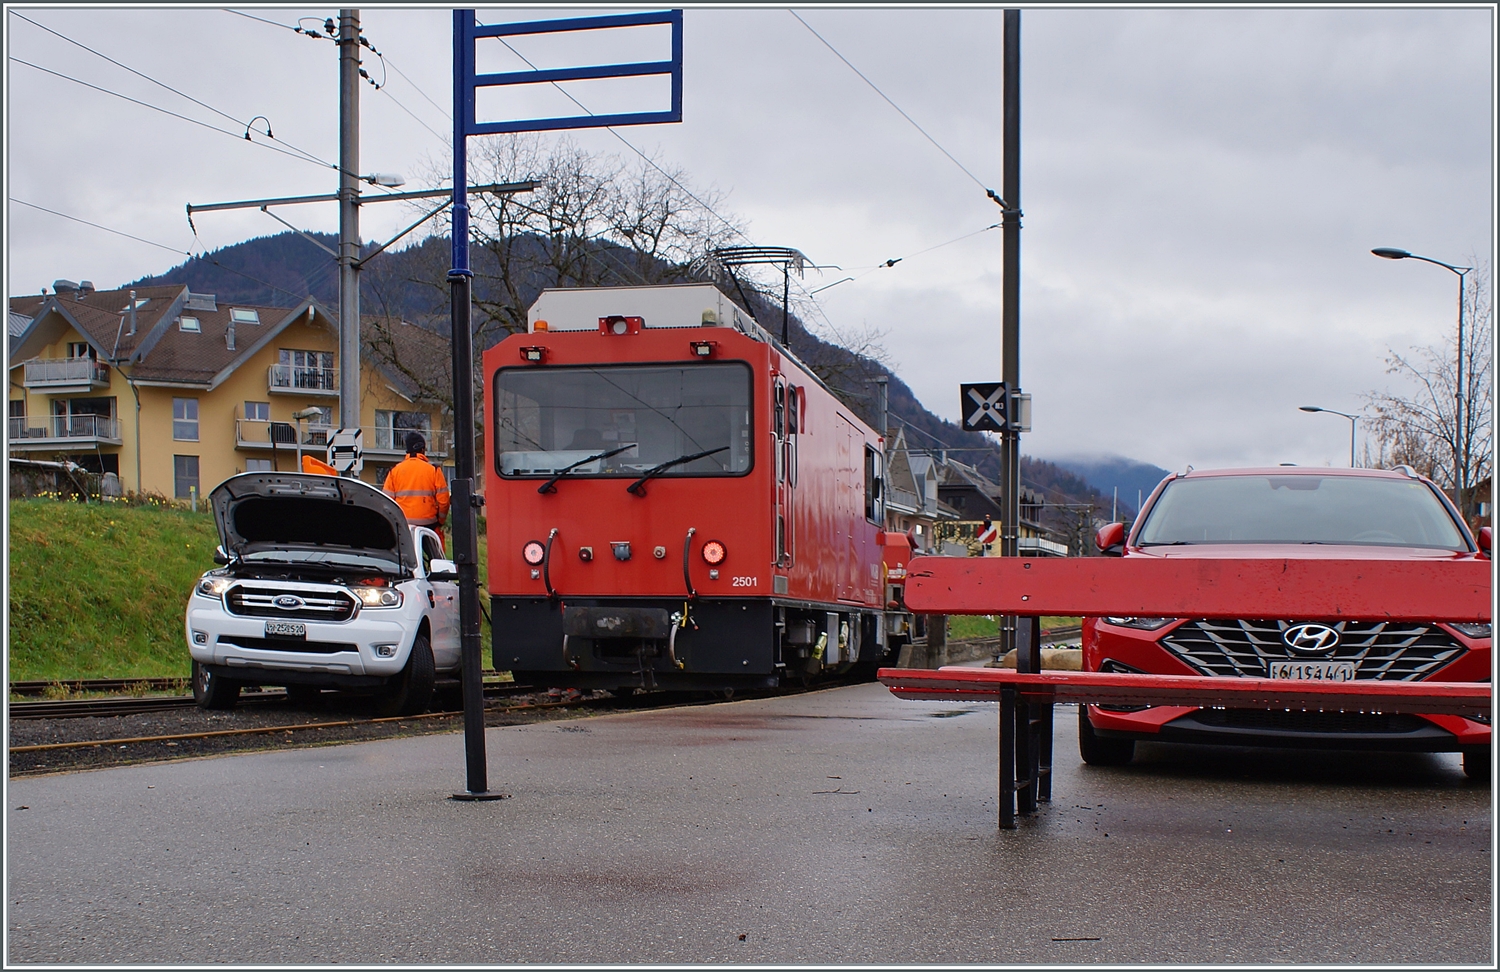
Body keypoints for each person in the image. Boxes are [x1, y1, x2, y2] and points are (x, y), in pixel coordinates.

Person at [383, 432, 451, 540]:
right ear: (422, 449)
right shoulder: (433, 470)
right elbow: (444, 502)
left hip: (403, 526)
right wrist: (440, 521)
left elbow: (386, 502)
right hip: (429, 526)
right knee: (435, 555)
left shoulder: (395, 471)